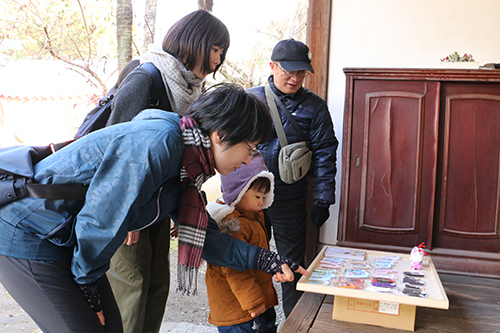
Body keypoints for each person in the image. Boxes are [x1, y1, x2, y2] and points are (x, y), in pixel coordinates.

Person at [0, 84, 308, 333]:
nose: (250, 159)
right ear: (221, 135)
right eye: (250, 148)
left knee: (111, 327)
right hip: (27, 230)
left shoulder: (187, 164)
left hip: (65, 235)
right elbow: (101, 220)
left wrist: (267, 260)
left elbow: (208, 239)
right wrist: (88, 290)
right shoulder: (159, 144)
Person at [104, 10, 230, 333]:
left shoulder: (192, 91)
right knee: (130, 294)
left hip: (158, 206)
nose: (218, 60)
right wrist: (125, 214)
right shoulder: (146, 78)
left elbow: (184, 156)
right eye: (216, 49)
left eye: (221, 53)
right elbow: (115, 154)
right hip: (127, 208)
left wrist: (180, 203)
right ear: (195, 42)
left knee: (157, 288)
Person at [248, 39, 339, 317]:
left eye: (301, 72)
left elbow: (325, 151)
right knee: (253, 262)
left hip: (290, 198)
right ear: (272, 66)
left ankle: (293, 323)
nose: (295, 78)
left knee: (292, 265)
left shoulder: (315, 107)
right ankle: (261, 322)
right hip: (251, 199)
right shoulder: (251, 99)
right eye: (289, 71)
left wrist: (323, 199)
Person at [205, 152, 278, 333]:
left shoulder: (253, 216)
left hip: (254, 297)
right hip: (236, 306)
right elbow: (234, 270)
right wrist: (253, 302)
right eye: (257, 197)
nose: (262, 202)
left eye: (264, 197)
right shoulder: (233, 224)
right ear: (240, 192)